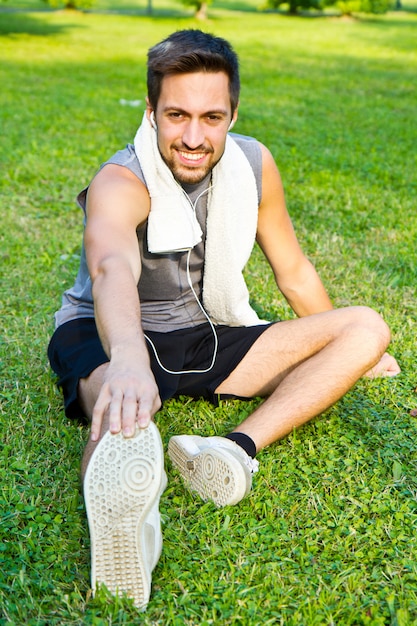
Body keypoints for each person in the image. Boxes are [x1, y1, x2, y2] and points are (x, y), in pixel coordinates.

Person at [47, 29, 400, 610]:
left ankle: (232, 449)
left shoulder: (255, 166)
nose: (192, 137)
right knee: (121, 400)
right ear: (151, 112)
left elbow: (292, 269)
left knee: (364, 326)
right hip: (109, 329)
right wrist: (130, 363)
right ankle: (126, 524)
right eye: (176, 115)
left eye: (211, 117)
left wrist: (358, 353)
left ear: (233, 114)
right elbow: (111, 267)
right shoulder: (122, 179)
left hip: (204, 330)